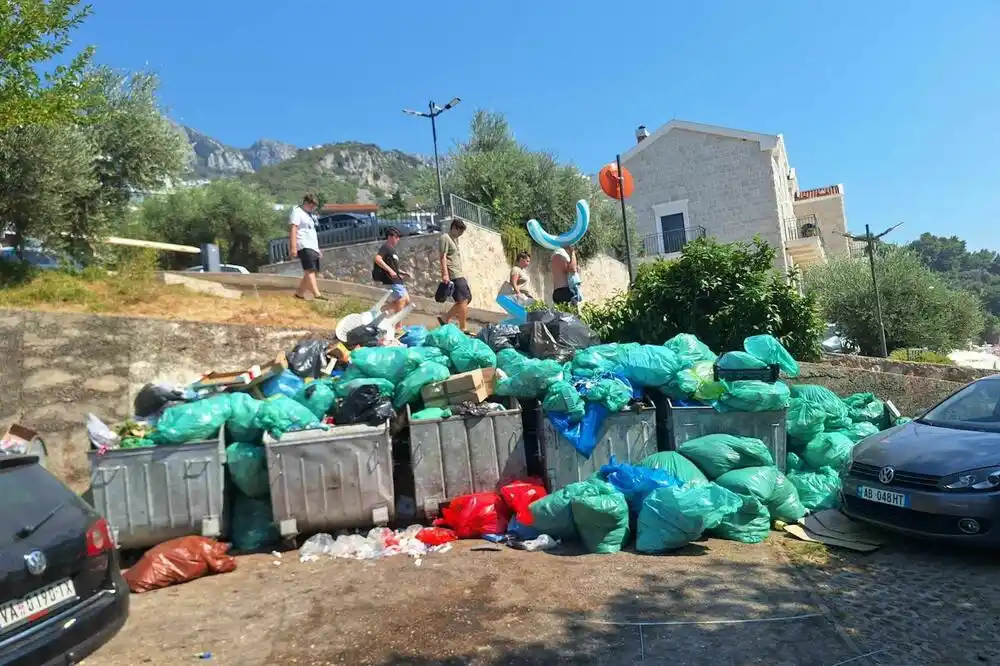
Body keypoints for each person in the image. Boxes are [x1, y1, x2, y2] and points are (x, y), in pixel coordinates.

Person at [289, 193, 325, 300]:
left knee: (312, 271)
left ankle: (299, 294)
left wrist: (317, 249)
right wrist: (293, 247)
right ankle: (317, 294)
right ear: (306, 203)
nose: (313, 208)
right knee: (309, 269)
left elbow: (312, 233)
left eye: (314, 206)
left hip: (312, 246)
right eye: (311, 205)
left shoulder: (310, 216)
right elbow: (294, 229)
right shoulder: (297, 212)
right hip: (303, 244)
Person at [437, 218, 472, 330]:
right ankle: (463, 328)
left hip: (459, 273)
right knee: (463, 300)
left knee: (467, 299)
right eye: (460, 232)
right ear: (454, 228)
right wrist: (445, 274)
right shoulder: (445, 238)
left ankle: (445, 318)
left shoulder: (454, 239)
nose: (460, 235)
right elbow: (442, 257)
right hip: (453, 274)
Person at [372, 227, 410, 314]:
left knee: (406, 301)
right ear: (390, 237)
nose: (398, 239)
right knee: (401, 300)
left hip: (397, 279)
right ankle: (397, 325)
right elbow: (377, 259)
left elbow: (393, 266)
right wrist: (390, 271)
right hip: (391, 279)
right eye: (396, 237)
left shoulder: (392, 250)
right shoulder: (385, 247)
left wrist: (401, 272)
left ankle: (379, 310)